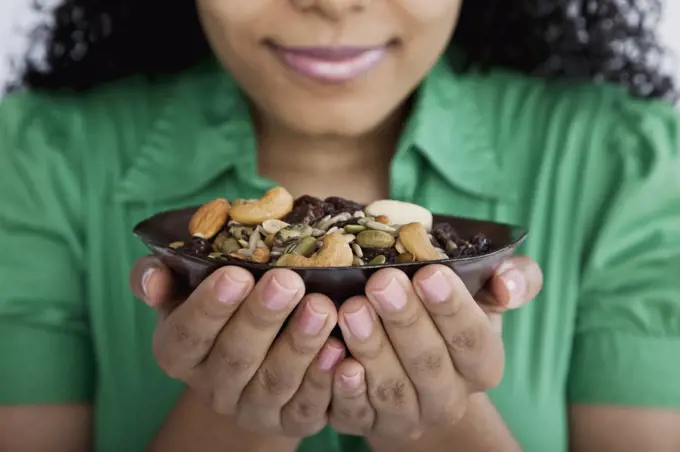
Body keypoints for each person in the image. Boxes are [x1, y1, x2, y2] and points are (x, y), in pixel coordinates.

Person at [1, 0, 679, 451]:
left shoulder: (630, 166)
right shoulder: (34, 161)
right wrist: (235, 418)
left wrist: (443, 424)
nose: (332, 2)